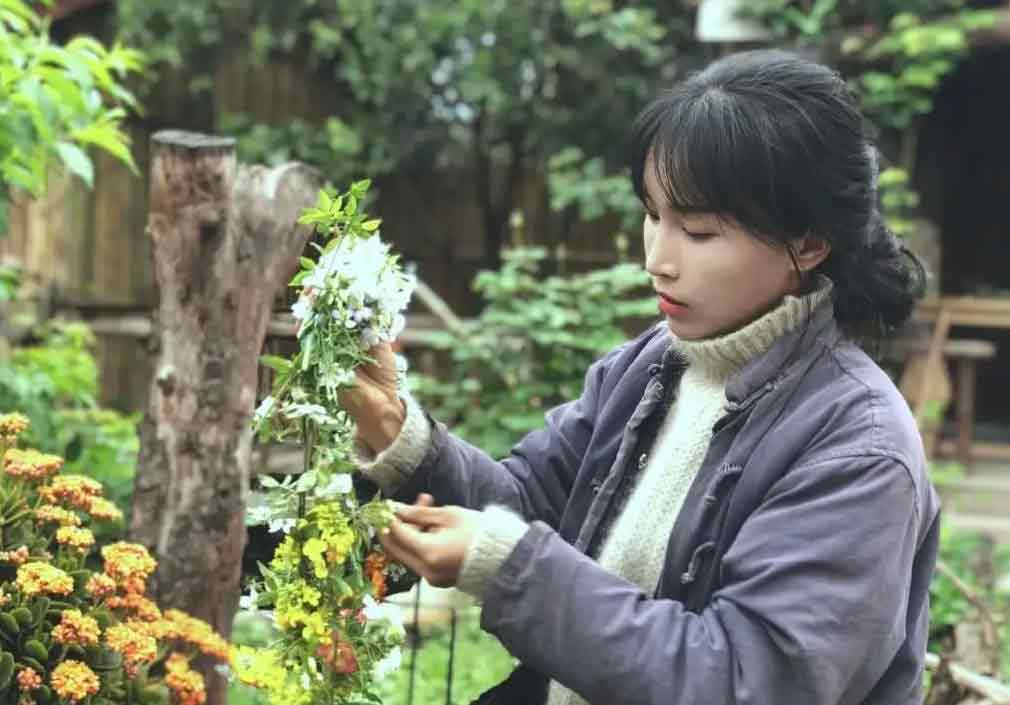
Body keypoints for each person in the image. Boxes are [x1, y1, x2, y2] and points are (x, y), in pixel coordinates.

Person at [348, 49, 940, 705]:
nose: (657, 258)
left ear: (808, 242)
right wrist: (403, 436)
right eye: (653, 215)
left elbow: (743, 679)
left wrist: (509, 564)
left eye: (699, 231)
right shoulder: (651, 366)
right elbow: (529, 506)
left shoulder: (859, 449)